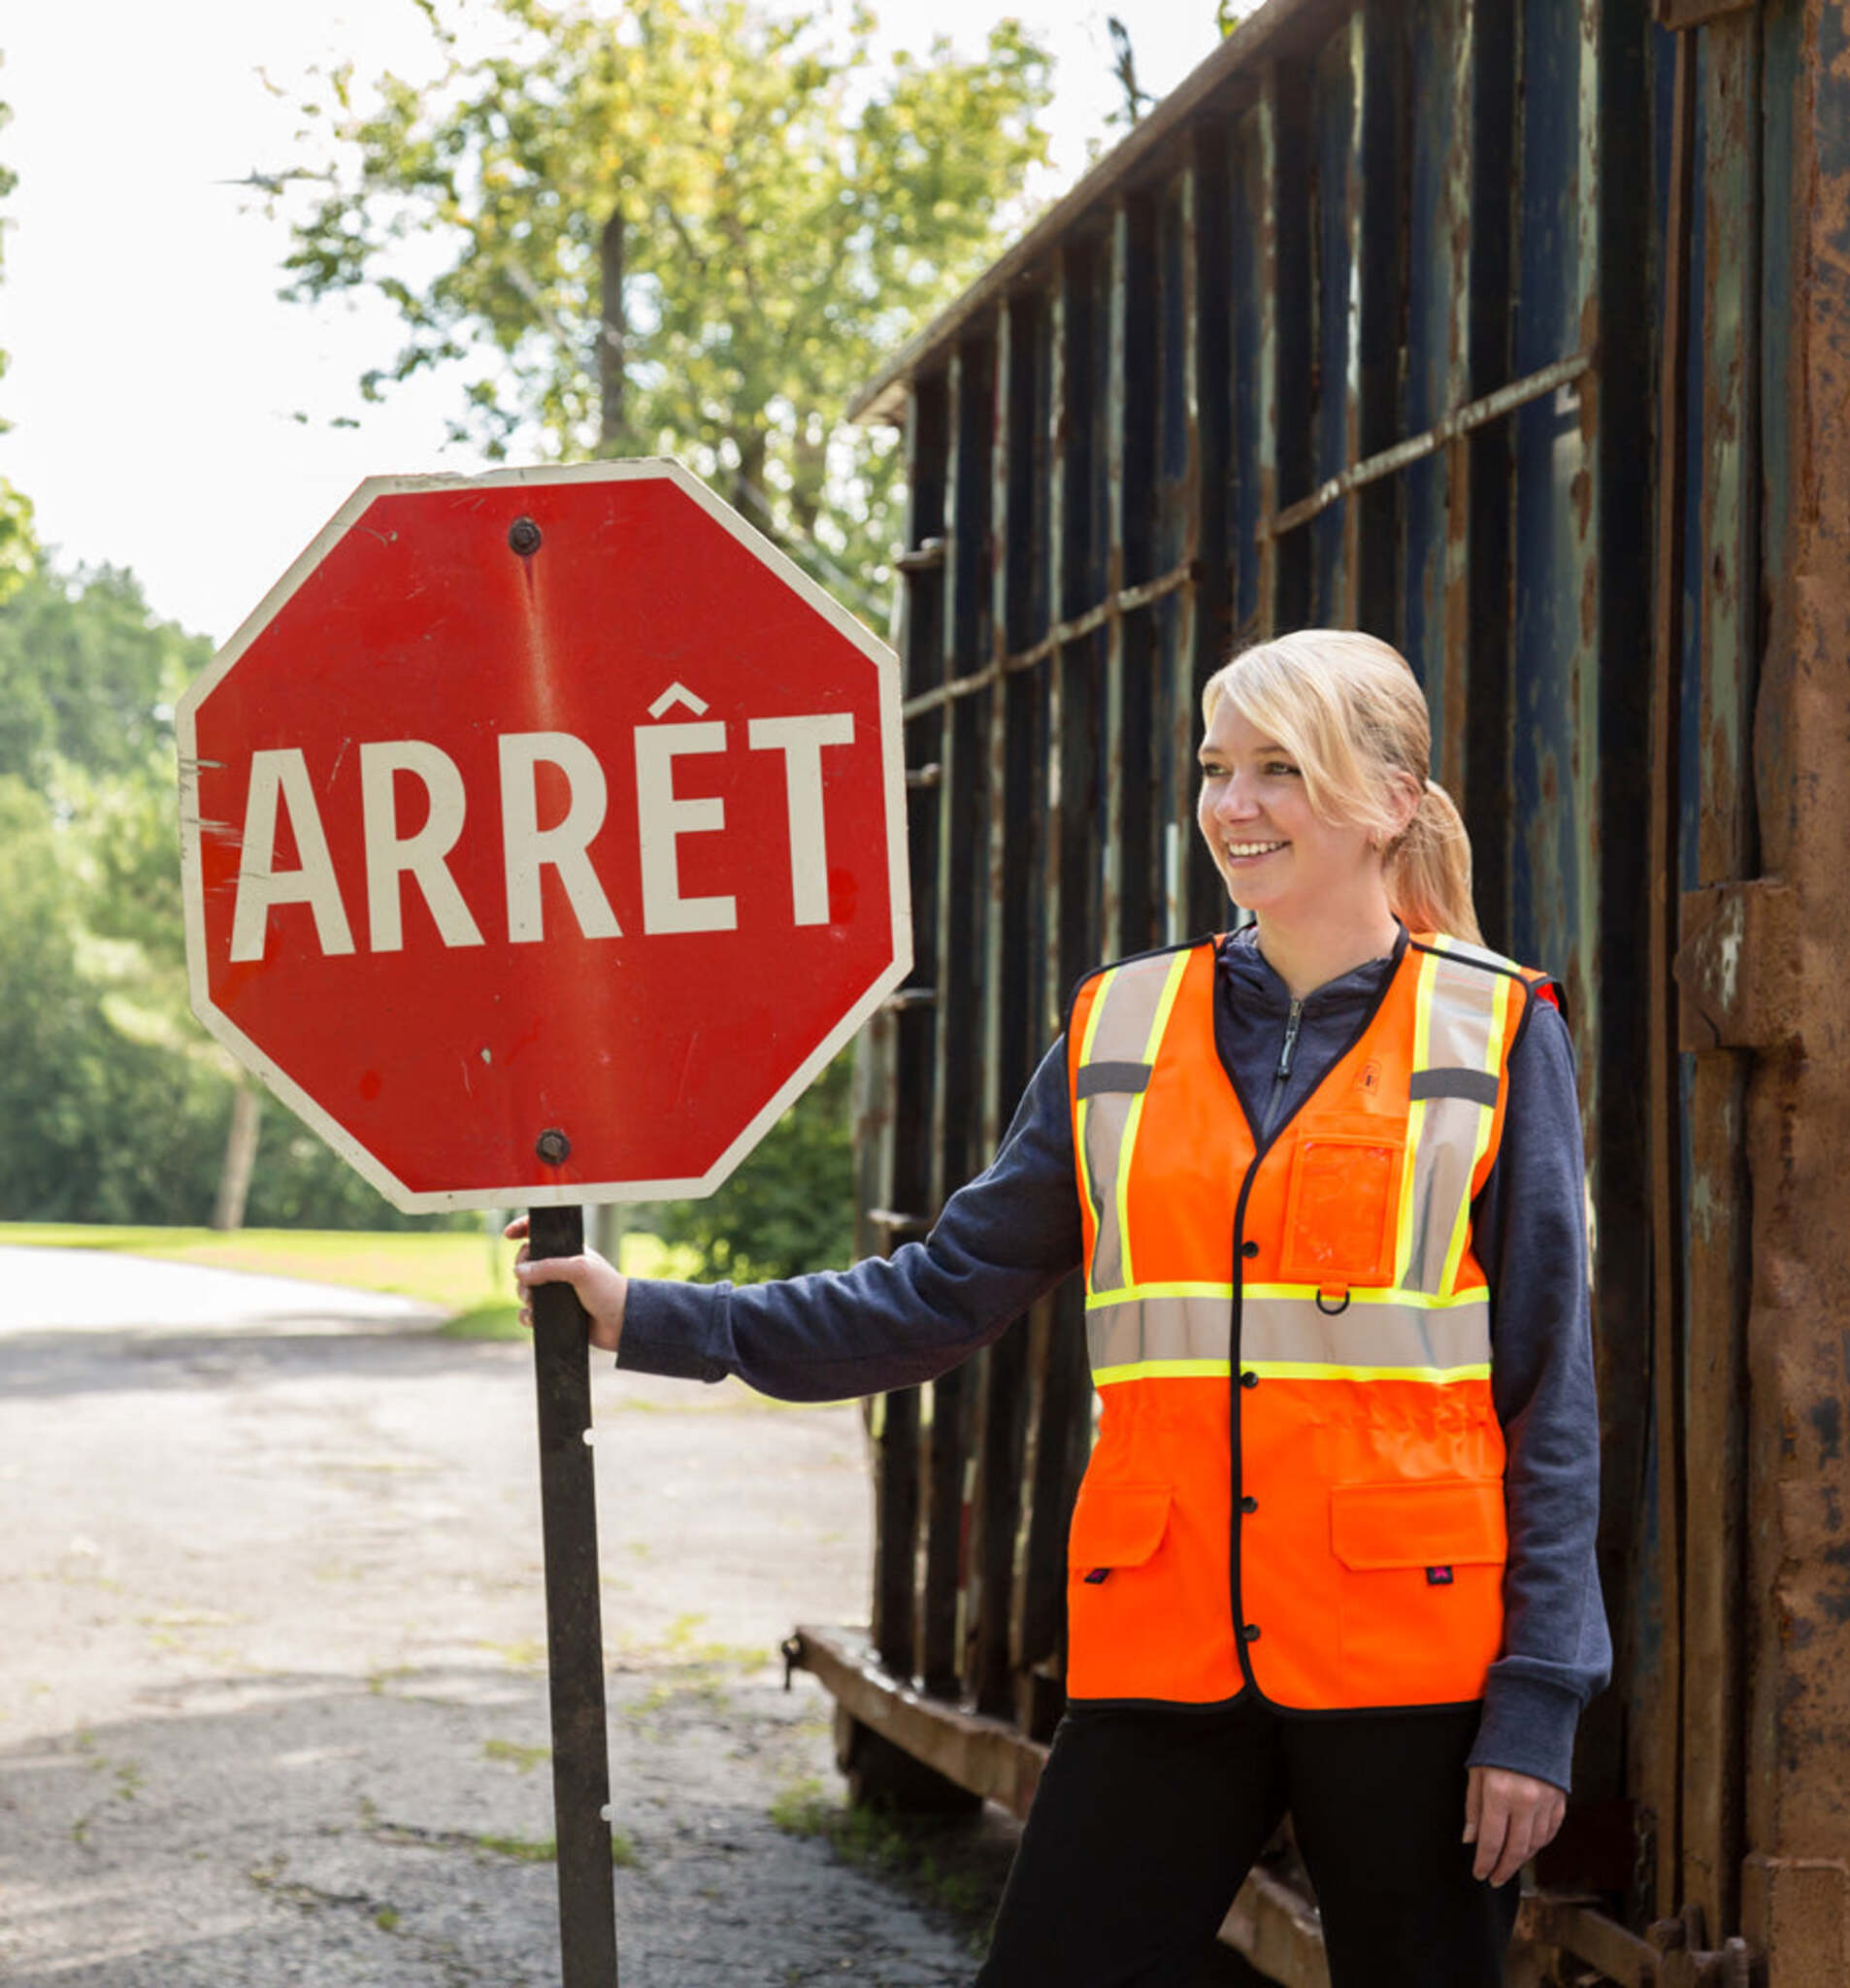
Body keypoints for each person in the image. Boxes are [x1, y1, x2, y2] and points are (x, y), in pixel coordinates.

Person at [511, 627, 1611, 1988]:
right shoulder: (1121, 1027)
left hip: (1416, 1665)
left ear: (1390, 797)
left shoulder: (1498, 1032)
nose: (1233, 806)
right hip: (1165, 1654)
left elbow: (1550, 1398)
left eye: (1280, 768)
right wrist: (661, 1317)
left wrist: (1538, 1703)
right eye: (1216, 769)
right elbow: (939, 1293)